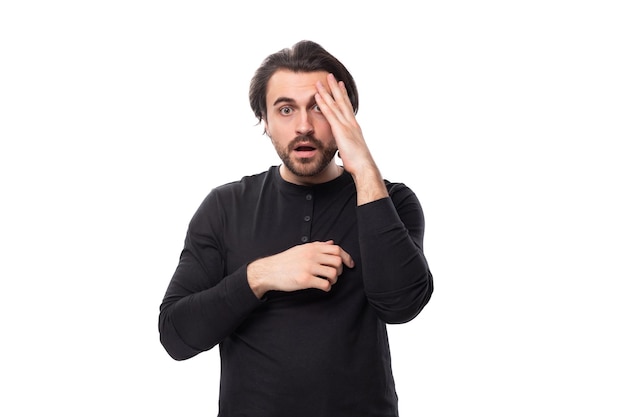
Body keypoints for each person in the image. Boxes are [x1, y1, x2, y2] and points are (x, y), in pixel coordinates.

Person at [158, 40, 434, 417]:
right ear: (265, 121)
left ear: (347, 117)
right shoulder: (225, 206)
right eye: (285, 109)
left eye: (320, 108)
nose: (304, 126)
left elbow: (402, 306)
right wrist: (260, 275)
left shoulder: (392, 201)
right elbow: (177, 336)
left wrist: (365, 169)